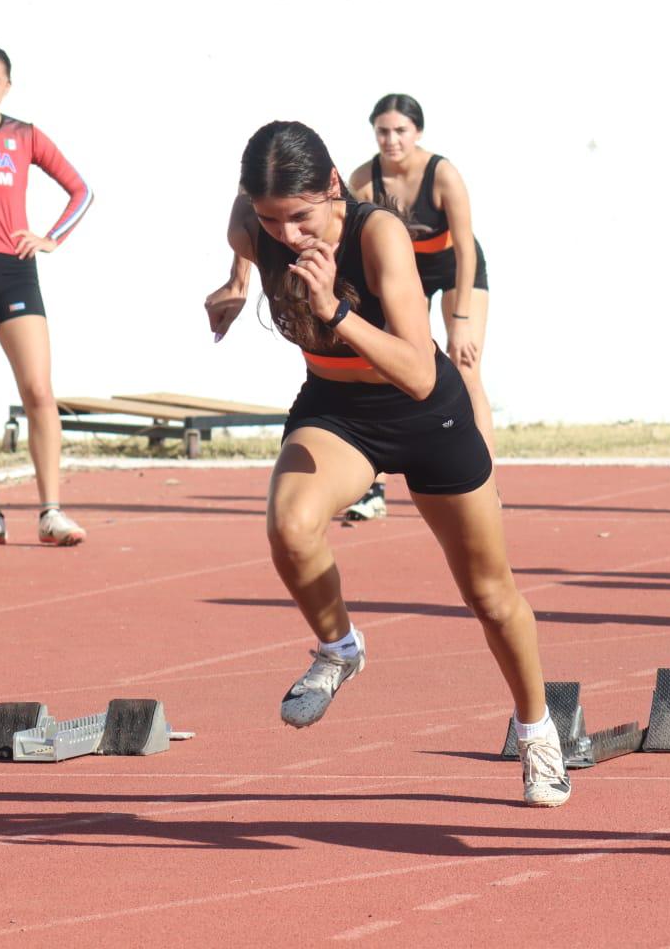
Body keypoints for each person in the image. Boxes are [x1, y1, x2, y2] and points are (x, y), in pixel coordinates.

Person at [201, 121, 569, 806]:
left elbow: (419, 374)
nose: (287, 234)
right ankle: (339, 649)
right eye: (270, 219)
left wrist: (334, 311)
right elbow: (243, 232)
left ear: (334, 186)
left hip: (427, 413)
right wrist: (234, 282)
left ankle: (537, 729)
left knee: (490, 596)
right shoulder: (253, 227)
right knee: (289, 525)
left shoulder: (378, 235)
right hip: (338, 409)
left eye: (301, 216)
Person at [0, 43, 93, 546]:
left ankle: (51, 512)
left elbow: (81, 190)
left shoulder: (24, 135)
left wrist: (52, 237)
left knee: (38, 390)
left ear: (7, 87)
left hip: (15, 271)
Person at [341, 94, 492, 522]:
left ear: (418, 132)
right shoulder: (364, 180)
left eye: (400, 131)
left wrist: (459, 321)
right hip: (405, 270)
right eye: (382, 131)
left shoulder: (442, 174)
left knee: (464, 370)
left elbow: (466, 249)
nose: (391, 140)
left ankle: (485, 485)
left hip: (456, 269)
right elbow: (354, 244)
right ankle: (372, 491)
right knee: (389, 371)